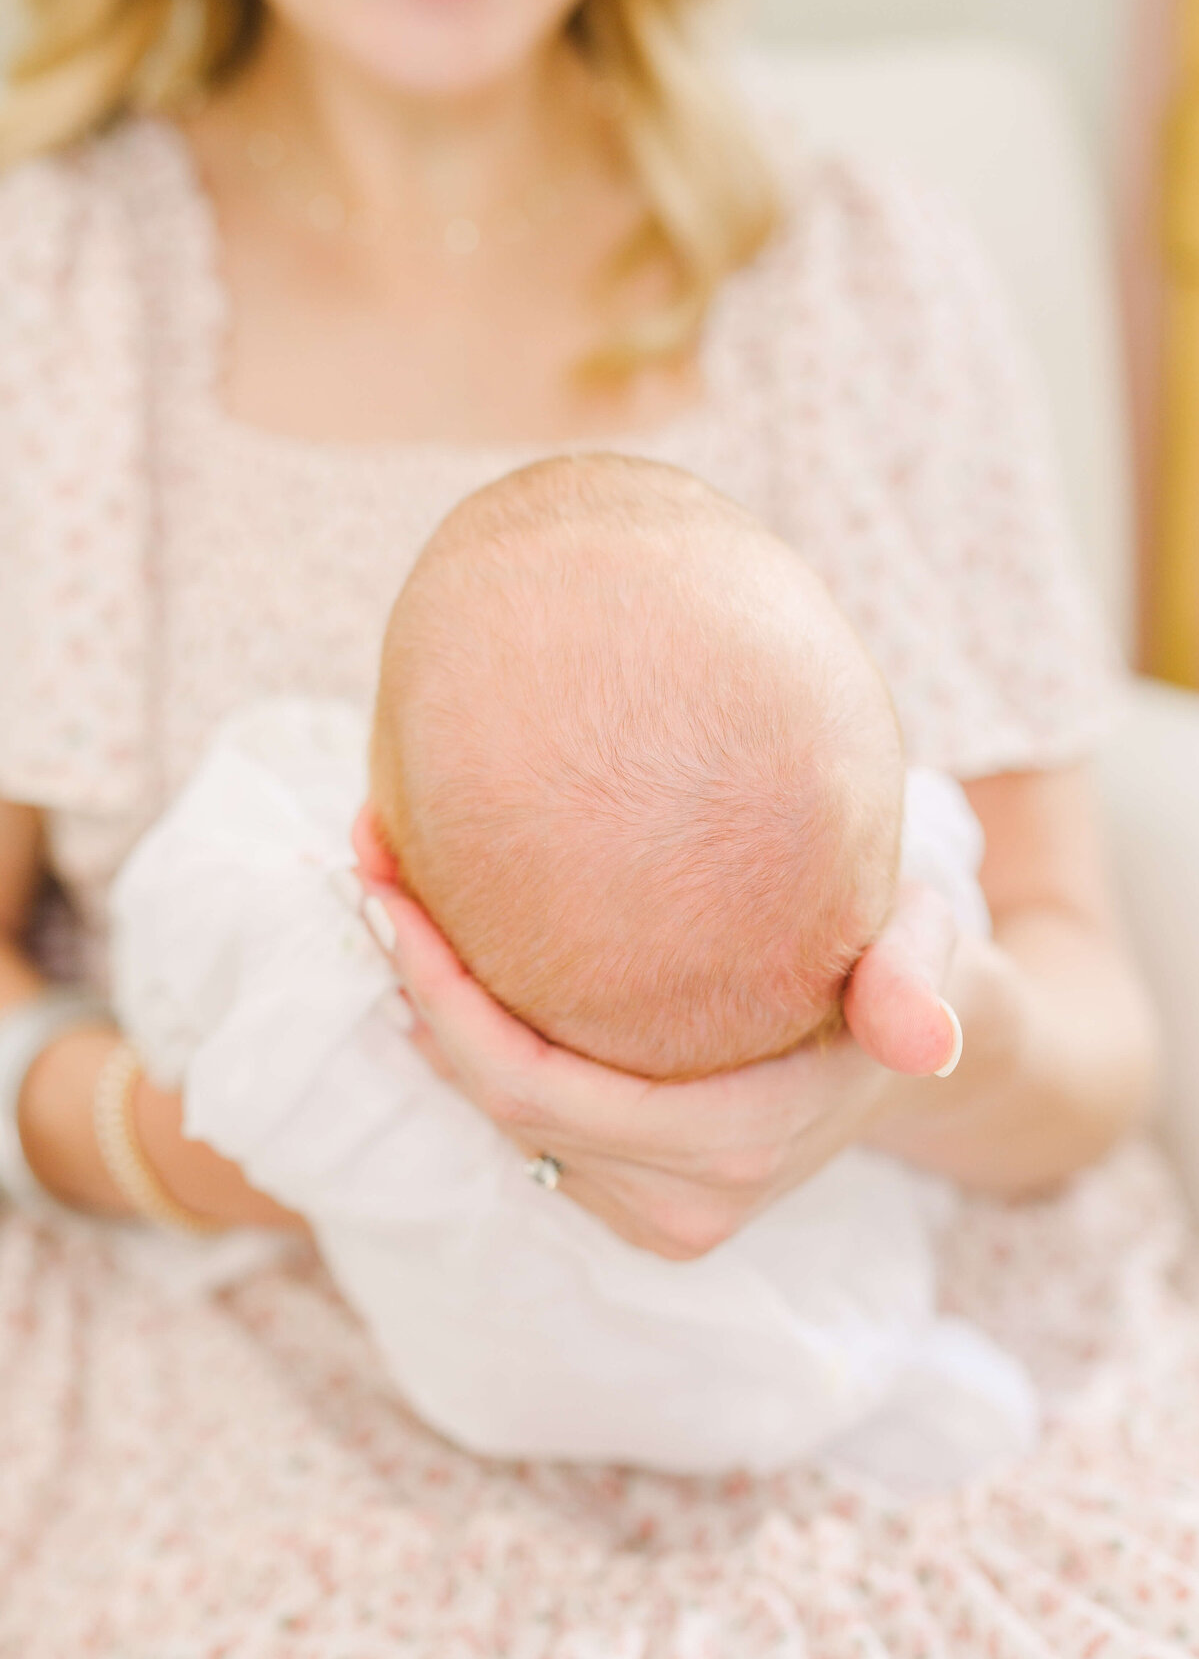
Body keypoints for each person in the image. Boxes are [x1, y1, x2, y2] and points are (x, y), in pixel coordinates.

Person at [0, 0, 1174, 1651]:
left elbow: (1091, 1029)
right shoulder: (56, 299)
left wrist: (906, 1059)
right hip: (270, 1392)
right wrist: (185, 1147)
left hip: (899, 1361)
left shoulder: (861, 275)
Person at [107, 454, 1037, 1489]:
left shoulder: (343, 1029)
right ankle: (887, 1392)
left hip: (483, 1396)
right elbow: (937, 852)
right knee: (861, 1314)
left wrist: (336, 928)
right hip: (813, 1344)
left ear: (376, 859)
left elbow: (178, 977)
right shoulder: (914, 869)